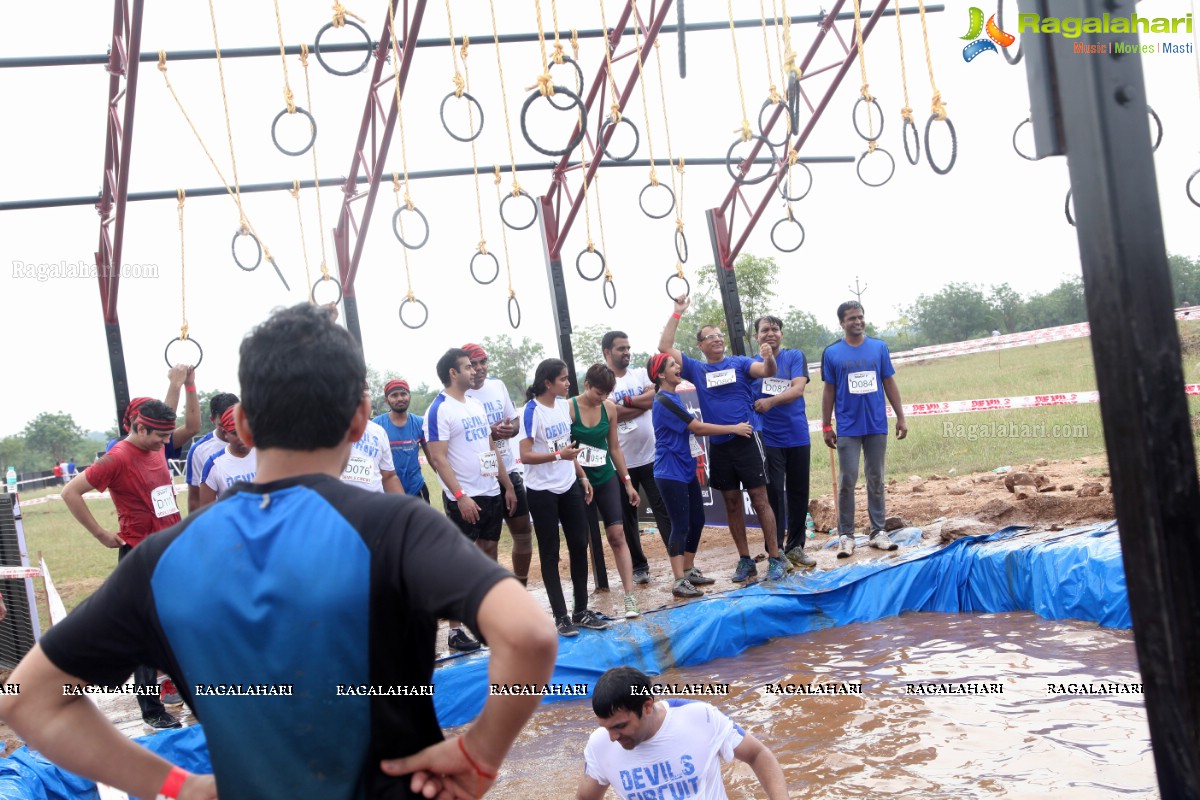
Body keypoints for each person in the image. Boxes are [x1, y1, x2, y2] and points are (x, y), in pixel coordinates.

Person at [0, 303, 558, 800]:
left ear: (242, 423)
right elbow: (529, 635)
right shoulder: (397, 526)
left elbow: (25, 697)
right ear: (361, 419)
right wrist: (479, 753)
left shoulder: (161, 560)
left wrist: (173, 785)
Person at [58, 398, 183, 730]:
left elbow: (165, 412)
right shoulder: (117, 458)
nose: (165, 443)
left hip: (170, 549)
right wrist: (100, 533)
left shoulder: (153, 443)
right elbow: (70, 492)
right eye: (160, 436)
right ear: (139, 428)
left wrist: (178, 382)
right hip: (140, 554)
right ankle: (151, 709)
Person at [657, 295, 789, 584]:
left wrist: (768, 357)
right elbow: (664, 348)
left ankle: (776, 557)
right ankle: (745, 560)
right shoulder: (696, 369)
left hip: (747, 439)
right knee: (730, 502)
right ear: (700, 346)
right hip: (719, 446)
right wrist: (677, 313)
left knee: (760, 500)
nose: (716, 339)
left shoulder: (740, 363)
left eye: (719, 335)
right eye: (709, 337)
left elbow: (767, 371)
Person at [576, 666, 789, 800]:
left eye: (620, 726)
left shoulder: (700, 717)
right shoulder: (599, 744)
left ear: (647, 706)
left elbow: (758, 754)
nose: (613, 737)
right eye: (606, 727)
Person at [425, 348, 518, 653]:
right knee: (460, 561)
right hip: (463, 496)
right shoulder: (439, 409)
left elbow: (490, 446)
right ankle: (454, 631)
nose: (474, 371)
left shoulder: (475, 404)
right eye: (467, 367)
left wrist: (506, 485)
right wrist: (461, 496)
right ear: (453, 373)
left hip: (490, 490)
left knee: (489, 552)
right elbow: (438, 459)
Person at [647, 354, 752, 598]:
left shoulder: (675, 396)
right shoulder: (664, 400)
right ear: (661, 374)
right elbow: (697, 428)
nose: (678, 367)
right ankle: (678, 580)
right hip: (669, 472)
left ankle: (688, 568)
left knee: (698, 519)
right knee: (681, 524)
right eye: (672, 365)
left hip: (684, 468)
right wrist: (733, 428)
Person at [521, 358, 607, 637]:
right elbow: (525, 456)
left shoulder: (562, 406)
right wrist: (559, 456)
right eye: (563, 379)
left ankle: (580, 610)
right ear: (547, 383)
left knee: (580, 544)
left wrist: (581, 475)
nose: (568, 383)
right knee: (550, 552)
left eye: (568, 378)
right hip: (542, 491)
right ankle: (560, 617)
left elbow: (568, 448)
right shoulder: (531, 411)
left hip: (568, 483)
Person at [821, 301, 908, 557]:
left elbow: (888, 382)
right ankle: (845, 536)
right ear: (841, 323)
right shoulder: (832, 353)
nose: (857, 322)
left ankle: (878, 532)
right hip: (848, 427)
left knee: (876, 478)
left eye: (860, 317)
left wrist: (900, 417)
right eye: (851, 318)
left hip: (876, 425)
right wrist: (826, 425)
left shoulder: (879, 347)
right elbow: (829, 391)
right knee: (848, 480)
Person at [569, 364, 642, 619]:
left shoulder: (609, 408)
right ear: (587, 384)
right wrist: (581, 475)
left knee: (617, 535)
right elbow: (566, 450)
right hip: (579, 480)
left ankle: (629, 596)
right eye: (598, 392)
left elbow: (614, 448)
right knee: (579, 540)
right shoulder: (569, 408)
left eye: (607, 394)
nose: (602, 398)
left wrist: (627, 482)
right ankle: (579, 605)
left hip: (605, 476)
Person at [602, 331, 673, 586]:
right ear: (607, 352)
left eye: (628, 347)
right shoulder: (605, 379)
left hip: (652, 457)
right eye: (621, 348)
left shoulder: (641, 374)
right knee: (628, 519)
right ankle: (639, 566)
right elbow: (612, 414)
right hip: (622, 463)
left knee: (664, 511)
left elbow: (654, 397)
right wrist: (639, 404)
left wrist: (628, 402)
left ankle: (677, 561)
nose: (627, 352)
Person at [463, 343, 534, 585]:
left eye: (483, 362)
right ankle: (491, 598)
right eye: (473, 364)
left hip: (508, 471)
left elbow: (515, 423)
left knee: (524, 533)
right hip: (481, 478)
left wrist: (508, 429)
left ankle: (520, 588)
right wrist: (488, 432)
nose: (479, 368)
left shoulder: (497, 386)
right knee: (486, 544)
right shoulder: (461, 396)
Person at [752, 315, 816, 568]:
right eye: (765, 329)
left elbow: (797, 389)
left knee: (800, 492)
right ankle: (775, 550)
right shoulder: (753, 366)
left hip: (798, 434)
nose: (771, 333)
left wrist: (770, 401)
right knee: (774, 493)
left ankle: (796, 547)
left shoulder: (795, 357)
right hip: (769, 438)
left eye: (775, 329)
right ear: (756, 336)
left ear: (781, 334)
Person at [105, 365, 201, 462]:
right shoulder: (117, 445)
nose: (165, 440)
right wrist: (175, 384)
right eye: (149, 416)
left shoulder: (159, 441)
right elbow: (161, 423)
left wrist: (190, 385)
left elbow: (192, 428)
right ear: (134, 419)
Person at [374, 378, 430, 501]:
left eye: (403, 394)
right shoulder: (376, 426)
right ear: (386, 400)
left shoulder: (420, 423)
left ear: (409, 396)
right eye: (394, 395)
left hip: (417, 489)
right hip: (387, 492)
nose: (400, 398)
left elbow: (434, 459)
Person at [340, 394, 405, 496]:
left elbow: (389, 477)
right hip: (336, 506)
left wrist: (404, 509)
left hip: (374, 507)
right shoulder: (323, 428)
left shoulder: (378, 431)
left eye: (364, 390)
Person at [185, 393, 239, 513]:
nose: (227, 429)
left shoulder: (256, 444)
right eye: (222, 425)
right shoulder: (199, 450)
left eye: (234, 423)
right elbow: (195, 497)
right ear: (212, 420)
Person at [198, 407, 257, 509]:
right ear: (225, 433)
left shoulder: (266, 455)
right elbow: (206, 512)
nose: (242, 437)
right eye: (235, 433)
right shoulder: (214, 465)